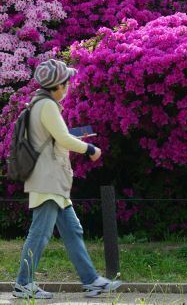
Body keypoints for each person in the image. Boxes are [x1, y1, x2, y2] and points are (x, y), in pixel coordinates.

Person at [12, 59, 122, 299]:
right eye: (67, 83)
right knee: (40, 234)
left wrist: (76, 139)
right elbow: (62, 138)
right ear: (58, 86)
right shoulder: (47, 106)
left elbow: (54, 138)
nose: (69, 87)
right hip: (48, 179)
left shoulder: (40, 104)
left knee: (72, 230)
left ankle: (91, 281)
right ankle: (23, 282)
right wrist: (89, 148)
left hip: (53, 180)